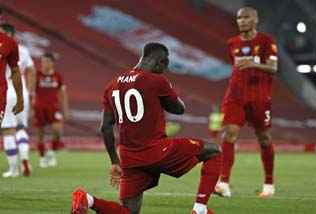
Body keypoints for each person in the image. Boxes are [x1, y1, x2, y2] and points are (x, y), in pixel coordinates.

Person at [71, 43, 222, 214]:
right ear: (159, 62)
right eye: (164, 66)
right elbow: (180, 109)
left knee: (128, 211)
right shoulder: (157, 81)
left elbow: (105, 127)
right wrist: (166, 92)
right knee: (214, 151)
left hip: (129, 157)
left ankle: (88, 200)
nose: (164, 71)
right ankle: (200, 209)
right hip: (157, 151)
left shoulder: (112, 85)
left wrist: (114, 161)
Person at [214, 7, 278, 198]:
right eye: (239, 17)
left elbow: (273, 67)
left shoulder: (266, 41)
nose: (241, 21)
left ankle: (269, 184)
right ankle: (223, 183)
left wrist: (253, 64)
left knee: (263, 137)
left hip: (259, 97)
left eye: (246, 17)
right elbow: (235, 67)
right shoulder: (231, 43)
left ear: (255, 20)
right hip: (235, 96)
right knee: (227, 134)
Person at [0, 23, 35, 176]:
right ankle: (25, 159)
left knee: (8, 130)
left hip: (7, 90)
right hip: (22, 91)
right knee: (21, 128)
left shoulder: (5, 44)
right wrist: (30, 92)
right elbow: (31, 70)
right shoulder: (23, 50)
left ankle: (14, 169)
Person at [32, 53, 69, 168]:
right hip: (39, 108)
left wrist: (65, 111)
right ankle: (42, 157)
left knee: (57, 131)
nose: (44, 64)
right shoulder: (37, 75)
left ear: (52, 63)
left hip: (54, 108)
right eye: (43, 62)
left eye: (47, 61)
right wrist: (31, 109)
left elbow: (63, 94)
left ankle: (52, 152)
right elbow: (32, 92)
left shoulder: (58, 76)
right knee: (40, 134)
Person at [0, 22, 24, 177]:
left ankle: (15, 167)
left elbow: (16, 71)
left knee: (10, 129)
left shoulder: (9, 43)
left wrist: (20, 99)